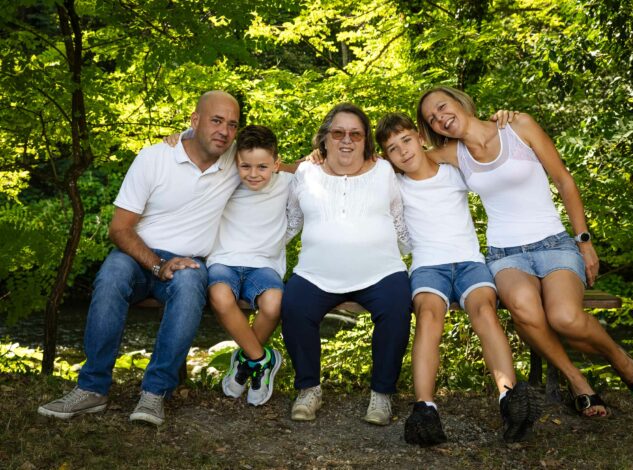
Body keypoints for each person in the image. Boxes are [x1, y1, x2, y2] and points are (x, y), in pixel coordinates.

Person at [417, 86, 633, 417]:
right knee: (524, 309)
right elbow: (402, 155)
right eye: (432, 119)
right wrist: (324, 157)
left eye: (442, 107)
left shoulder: (518, 127)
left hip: (554, 244)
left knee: (564, 317)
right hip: (505, 254)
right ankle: (578, 382)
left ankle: (619, 357)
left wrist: (583, 241)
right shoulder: (453, 153)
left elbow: (564, 181)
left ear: (461, 101)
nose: (440, 118)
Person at [38, 90, 241, 425]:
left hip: (186, 263)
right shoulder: (154, 158)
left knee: (191, 281)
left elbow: (273, 163)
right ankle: (92, 389)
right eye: (216, 120)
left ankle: (154, 393)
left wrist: (317, 161)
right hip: (137, 257)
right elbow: (119, 229)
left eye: (232, 125)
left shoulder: (235, 160)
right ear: (195, 121)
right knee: (111, 274)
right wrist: (158, 265)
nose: (224, 131)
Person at [375, 112, 542, 445]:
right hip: (427, 266)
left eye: (406, 140)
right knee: (428, 316)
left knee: (484, 313)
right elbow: (350, 172)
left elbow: (490, 162)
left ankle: (509, 399)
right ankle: (425, 408)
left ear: (420, 138)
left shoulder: (454, 171)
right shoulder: (393, 184)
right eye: (393, 149)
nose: (403, 151)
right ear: (387, 157)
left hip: (469, 262)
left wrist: (502, 123)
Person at [282, 103, 412, 425]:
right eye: (338, 132)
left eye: (355, 134)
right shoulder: (305, 172)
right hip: (316, 273)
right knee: (293, 306)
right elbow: (290, 223)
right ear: (324, 138)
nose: (346, 140)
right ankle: (309, 388)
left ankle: (381, 395)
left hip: (380, 272)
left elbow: (399, 222)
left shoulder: (383, 171)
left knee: (397, 307)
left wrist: (409, 254)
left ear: (365, 139)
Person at [206, 125, 293, 406]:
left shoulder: (290, 182)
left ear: (276, 164)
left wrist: (280, 239)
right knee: (220, 296)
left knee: (274, 303)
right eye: (245, 166)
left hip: (264, 264)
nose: (253, 174)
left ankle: (244, 361)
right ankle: (261, 359)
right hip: (224, 261)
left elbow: (318, 168)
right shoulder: (225, 180)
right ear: (236, 162)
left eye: (262, 167)